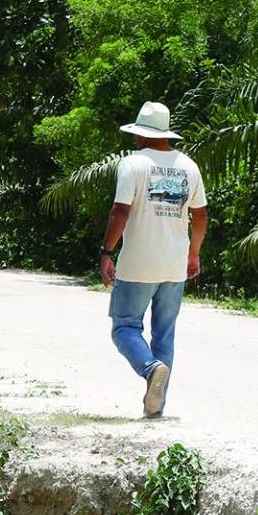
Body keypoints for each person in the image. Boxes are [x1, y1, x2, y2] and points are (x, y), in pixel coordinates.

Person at [98, 101, 208, 417]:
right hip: (174, 265)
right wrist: (194, 253)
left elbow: (120, 211)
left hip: (138, 263)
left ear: (141, 134)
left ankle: (149, 369)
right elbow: (200, 217)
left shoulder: (133, 164)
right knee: (164, 334)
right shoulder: (189, 166)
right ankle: (156, 406)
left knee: (124, 328)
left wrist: (107, 252)